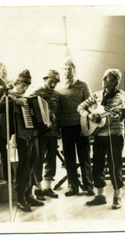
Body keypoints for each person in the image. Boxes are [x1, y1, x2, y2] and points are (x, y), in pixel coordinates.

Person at [0, 69, 44, 212]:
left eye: (27, 86)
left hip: (30, 134)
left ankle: (29, 194)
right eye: (23, 85)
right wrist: (14, 101)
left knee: (32, 164)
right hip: (18, 135)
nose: (25, 88)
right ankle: (20, 198)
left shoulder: (27, 97)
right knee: (23, 166)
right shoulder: (8, 95)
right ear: (17, 82)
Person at [77, 69, 125, 209]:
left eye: (108, 78)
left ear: (115, 81)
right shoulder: (97, 94)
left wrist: (117, 115)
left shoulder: (122, 97)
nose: (103, 79)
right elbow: (80, 107)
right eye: (104, 77)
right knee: (97, 166)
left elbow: (121, 114)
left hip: (114, 136)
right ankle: (100, 195)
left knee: (114, 167)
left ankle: (117, 197)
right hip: (99, 136)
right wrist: (89, 116)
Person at [57, 57, 94, 197]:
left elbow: (90, 104)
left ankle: (89, 186)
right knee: (69, 158)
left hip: (81, 127)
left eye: (69, 68)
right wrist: (58, 127)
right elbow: (58, 109)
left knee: (84, 157)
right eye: (64, 69)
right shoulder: (59, 88)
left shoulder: (83, 85)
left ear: (74, 70)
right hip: (65, 128)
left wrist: (88, 123)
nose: (67, 71)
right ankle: (73, 187)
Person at [31, 70, 60, 200]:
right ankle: (37, 188)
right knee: (38, 160)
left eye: (55, 82)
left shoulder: (57, 95)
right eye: (51, 81)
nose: (53, 84)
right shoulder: (36, 93)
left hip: (53, 131)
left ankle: (48, 187)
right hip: (41, 132)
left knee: (51, 159)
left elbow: (58, 112)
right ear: (45, 79)